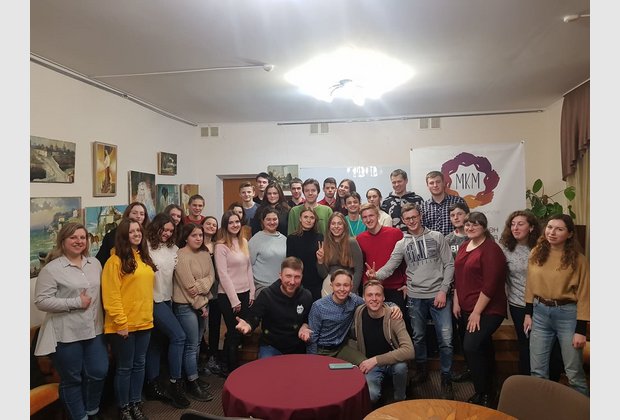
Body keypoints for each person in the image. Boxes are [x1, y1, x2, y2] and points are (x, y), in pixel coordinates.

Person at [366, 203, 455, 400]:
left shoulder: (437, 237)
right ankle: (422, 371)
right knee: (418, 337)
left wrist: (443, 290)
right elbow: (391, 266)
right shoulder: (402, 243)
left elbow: (449, 264)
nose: (412, 221)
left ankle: (446, 376)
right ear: (403, 221)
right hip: (415, 297)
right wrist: (376, 275)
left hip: (438, 296)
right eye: (408, 219)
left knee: (446, 339)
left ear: (420, 216)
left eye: (414, 217)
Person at [34, 222, 108, 420]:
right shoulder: (52, 269)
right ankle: (80, 416)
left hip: (94, 330)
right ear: (63, 241)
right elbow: (41, 301)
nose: (78, 241)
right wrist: (75, 302)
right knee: (72, 379)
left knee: (99, 371)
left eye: (82, 237)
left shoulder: (95, 264)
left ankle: (92, 411)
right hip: (66, 333)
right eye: (73, 237)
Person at [524, 214, 589, 396]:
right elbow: (530, 284)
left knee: (574, 373)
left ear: (569, 234)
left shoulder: (579, 259)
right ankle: (543, 409)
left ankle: (583, 409)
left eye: (559, 229)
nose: (552, 232)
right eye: (550, 227)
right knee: (537, 371)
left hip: (567, 316)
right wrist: (528, 313)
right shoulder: (536, 253)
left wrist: (581, 330)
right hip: (540, 313)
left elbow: (585, 294)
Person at [101, 218, 157, 420]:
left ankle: (135, 403)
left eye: (138, 231)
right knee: (125, 367)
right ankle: (124, 408)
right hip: (123, 325)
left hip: (144, 321)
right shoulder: (114, 261)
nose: (136, 234)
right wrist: (121, 322)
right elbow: (111, 295)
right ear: (124, 235)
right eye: (132, 231)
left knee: (139, 364)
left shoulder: (144, 258)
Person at [453, 211, 507, 407]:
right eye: (468, 224)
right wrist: (457, 301)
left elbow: (490, 285)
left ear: (484, 227)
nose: (470, 227)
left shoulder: (491, 249)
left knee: (472, 346)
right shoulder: (464, 246)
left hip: (488, 310)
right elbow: (458, 276)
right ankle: (491, 384)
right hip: (466, 308)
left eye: (475, 224)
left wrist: (476, 312)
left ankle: (483, 393)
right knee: (482, 347)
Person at [144, 213, 190, 409]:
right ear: (157, 227)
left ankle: (152, 384)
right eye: (164, 229)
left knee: (156, 343)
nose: (167, 233)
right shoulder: (145, 246)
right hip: (152, 300)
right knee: (179, 336)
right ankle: (174, 383)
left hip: (167, 298)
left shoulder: (174, 248)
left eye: (171, 231)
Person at [307, 269, 402, 363]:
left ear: (351, 286)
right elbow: (312, 337)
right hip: (322, 350)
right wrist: (312, 361)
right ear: (332, 286)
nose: (342, 289)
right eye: (338, 285)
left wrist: (393, 306)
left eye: (346, 285)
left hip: (341, 348)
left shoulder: (354, 300)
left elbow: (373, 302)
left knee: (364, 363)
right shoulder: (318, 306)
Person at [235, 257, 314, 358]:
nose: (292, 282)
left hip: (296, 346)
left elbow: (307, 319)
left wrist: (305, 326)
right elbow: (254, 317)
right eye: (288, 276)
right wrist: (248, 325)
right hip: (271, 346)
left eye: (297, 277)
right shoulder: (266, 295)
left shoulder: (306, 296)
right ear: (280, 275)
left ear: (302, 277)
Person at [172, 223, 216, 402]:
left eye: (200, 235)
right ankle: (191, 382)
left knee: (197, 343)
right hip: (186, 305)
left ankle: (193, 375)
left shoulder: (205, 253)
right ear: (186, 237)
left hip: (203, 303)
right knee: (190, 345)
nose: (198, 238)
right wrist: (201, 304)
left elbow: (211, 277)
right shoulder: (181, 255)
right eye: (194, 235)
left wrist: (201, 287)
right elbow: (188, 287)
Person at [353, 280, 414, 405]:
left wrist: (376, 360)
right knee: (371, 396)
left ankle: (400, 399)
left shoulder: (394, 316)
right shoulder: (359, 312)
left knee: (401, 367)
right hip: (371, 365)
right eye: (370, 295)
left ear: (384, 297)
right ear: (363, 298)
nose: (374, 299)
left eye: (378, 295)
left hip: (392, 362)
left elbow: (409, 351)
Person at [215, 210, 255, 375]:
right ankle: (232, 370)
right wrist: (234, 300)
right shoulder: (220, 246)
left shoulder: (244, 241)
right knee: (233, 332)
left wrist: (252, 292)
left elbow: (248, 268)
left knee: (237, 332)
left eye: (237, 222)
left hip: (245, 293)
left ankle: (225, 363)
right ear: (225, 225)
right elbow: (223, 274)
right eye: (231, 222)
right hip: (228, 296)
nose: (234, 225)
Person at [356, 204, 407, 324]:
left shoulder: (395, 234)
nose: (368, 219)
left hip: (395, 288)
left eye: (371, 215)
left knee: (397, 324)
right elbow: (361, 267)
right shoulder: (360, 239)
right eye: (364, 217)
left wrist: (406, 283)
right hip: (373, 290)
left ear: (378, 216)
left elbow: (405, 261)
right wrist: (365, 288)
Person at [444, 202, 472, 382]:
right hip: (453, 293)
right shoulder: (447, 240)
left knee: (475, 333)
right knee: (460, 331)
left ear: (467, 215)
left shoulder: (475, 237)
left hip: (473, 292)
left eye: (459, 214)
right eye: (453, 215)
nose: (456, 217)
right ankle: (468, 367)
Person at [317, 212, 364, 296]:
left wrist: (351, 291)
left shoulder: (352, 242)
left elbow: (359, 270)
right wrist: (320, 261)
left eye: (339, 223)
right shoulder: (325, 244)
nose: (336, 226)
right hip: (329, 286)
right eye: (333, 223)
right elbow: (323, 275)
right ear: (329, 226)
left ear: (344, 226)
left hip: (348, 285)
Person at [200, 216, 224, 376]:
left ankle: (212, 356)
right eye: (208, 223)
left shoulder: (218, 246)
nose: (211, 226)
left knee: (214, 325)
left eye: (214, 225)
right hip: (200, 292)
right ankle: (200, 356)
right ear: (202, 225)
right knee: (200, 327)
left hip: (215, 290)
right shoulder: (197, 243)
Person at [286, 207, 324, 301]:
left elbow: (323, 263)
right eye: (305, 217)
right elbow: (290, 264)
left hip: (316, 283)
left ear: (315, 220)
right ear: (300, 219)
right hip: (298, 283)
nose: (308, 220)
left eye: (312, 217)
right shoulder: (292, 238)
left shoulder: (320, 237)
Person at [95, 202, 150, 267]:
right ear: (127, 214)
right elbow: (100, 261)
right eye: (134, 213)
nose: (138, 216)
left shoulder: (149, 234)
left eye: (142, 214)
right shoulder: (112, 235)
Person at [248, 208, 287, 296]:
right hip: (262, 287)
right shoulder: (255, 240)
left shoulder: (284, 239)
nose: (272, 222)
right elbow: (248, 265)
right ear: (263, 221)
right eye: (268, 219)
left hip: (282, 286)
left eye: (274, 219)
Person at [422, 170, 467, 236]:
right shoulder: (423, 207)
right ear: (427, 186)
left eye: (438, 182)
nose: (435, 185)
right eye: (431, 183)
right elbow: (422, 230)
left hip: (455, 241)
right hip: (433, 242)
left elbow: (467, 223)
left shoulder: (458, 201)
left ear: (443, 183)